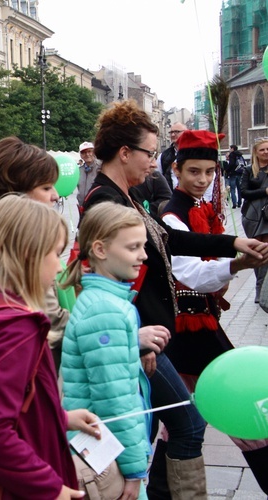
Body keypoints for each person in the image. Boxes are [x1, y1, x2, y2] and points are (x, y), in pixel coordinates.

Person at [84, 100, 268, 499]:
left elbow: (170, 241)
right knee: (179, 424)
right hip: (144, 336)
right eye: (150, 154)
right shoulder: (106, 201)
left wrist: (233, 242)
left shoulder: (122, 196)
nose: (154, 163)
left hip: (152, 334)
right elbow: (105, 280)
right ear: (125, 153)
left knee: (160, 425)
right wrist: (136, 335)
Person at [0, 195, 99, 500]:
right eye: (55, 253)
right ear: (29, 255)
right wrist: (47, 486)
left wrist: (60, 418)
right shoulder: (15, 328)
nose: (60, 264)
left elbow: (11, 404)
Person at [161, 130, 268, 495]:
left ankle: (164, 489)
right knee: (242, 407)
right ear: (177, 170)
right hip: (190, 325)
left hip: (199, 322)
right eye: (194, 172)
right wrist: (237, 265)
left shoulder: (202, 206)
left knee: (179, 417)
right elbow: (190, 275)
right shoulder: (173, 215)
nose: (202, 180)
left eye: (209, 172)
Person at [62, 202, 152, 500]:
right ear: (100, 250)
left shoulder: (103, 301)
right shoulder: (105, 311)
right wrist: (135, 470)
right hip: (109, 455)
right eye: (133, 247)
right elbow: (115, 400)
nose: (143, 255)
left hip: (108, 448)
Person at [0, 137, 68, 370]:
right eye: (46, 187)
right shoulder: (21, 231)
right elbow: (48, 316)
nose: (56, 195)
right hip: (25, 364)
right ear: (19, 190)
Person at [240, 137, 268, 302]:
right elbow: (244, 192)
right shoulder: (249, 170)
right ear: (256, 152)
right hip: (253, 216)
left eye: (267, 149)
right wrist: (264, 192)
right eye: (262, 149)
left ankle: (263, 290)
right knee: (258, 252)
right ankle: (259, 286)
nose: (266, 152)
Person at [158, 123, 187, 191]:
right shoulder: (163, 156)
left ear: (186, 133)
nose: (173, 135)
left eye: (176, 132)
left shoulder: (194, 153)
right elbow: (157, 178)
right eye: (171, 132)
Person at [76, 141, 101, 209]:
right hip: (83, 207)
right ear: (81, 155)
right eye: (84, 152)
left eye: (89, 151)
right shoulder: (78, 170)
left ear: (94, 152)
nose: (87, 154)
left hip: (97, 207)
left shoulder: (101, 167)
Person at [225, 145, 245, 209]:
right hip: (240, 173)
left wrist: (227, 170)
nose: (229, 149)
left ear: (232, 149)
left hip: (233, 174)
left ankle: (234, 203)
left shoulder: (232, 154)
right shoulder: (240, 155)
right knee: (239, 189)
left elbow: (231, 164)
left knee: (232, 189)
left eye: (230, 148)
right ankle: (239, 203)